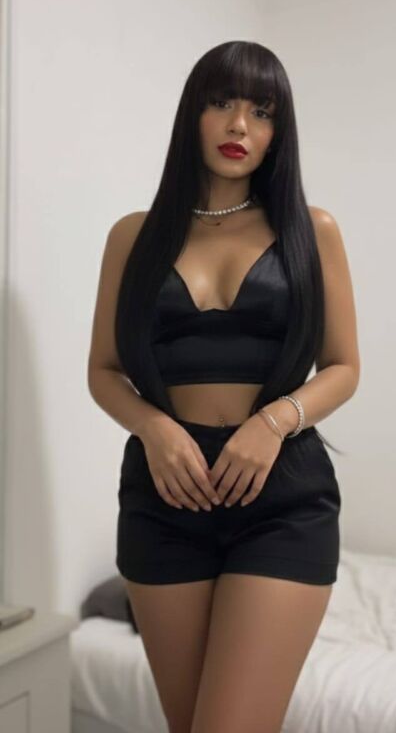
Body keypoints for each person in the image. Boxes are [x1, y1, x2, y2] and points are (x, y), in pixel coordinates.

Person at [87, 40, 360, 733]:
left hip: (281, 498)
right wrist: (153, 426)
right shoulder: (132, 237)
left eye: (261, 111)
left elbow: (343, 367)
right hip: (164, 498)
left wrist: (272, 423)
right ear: (193, 116)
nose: (240, 124)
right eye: (221, 103)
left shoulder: (312, 230)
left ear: (277, 132)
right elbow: (103, 370)